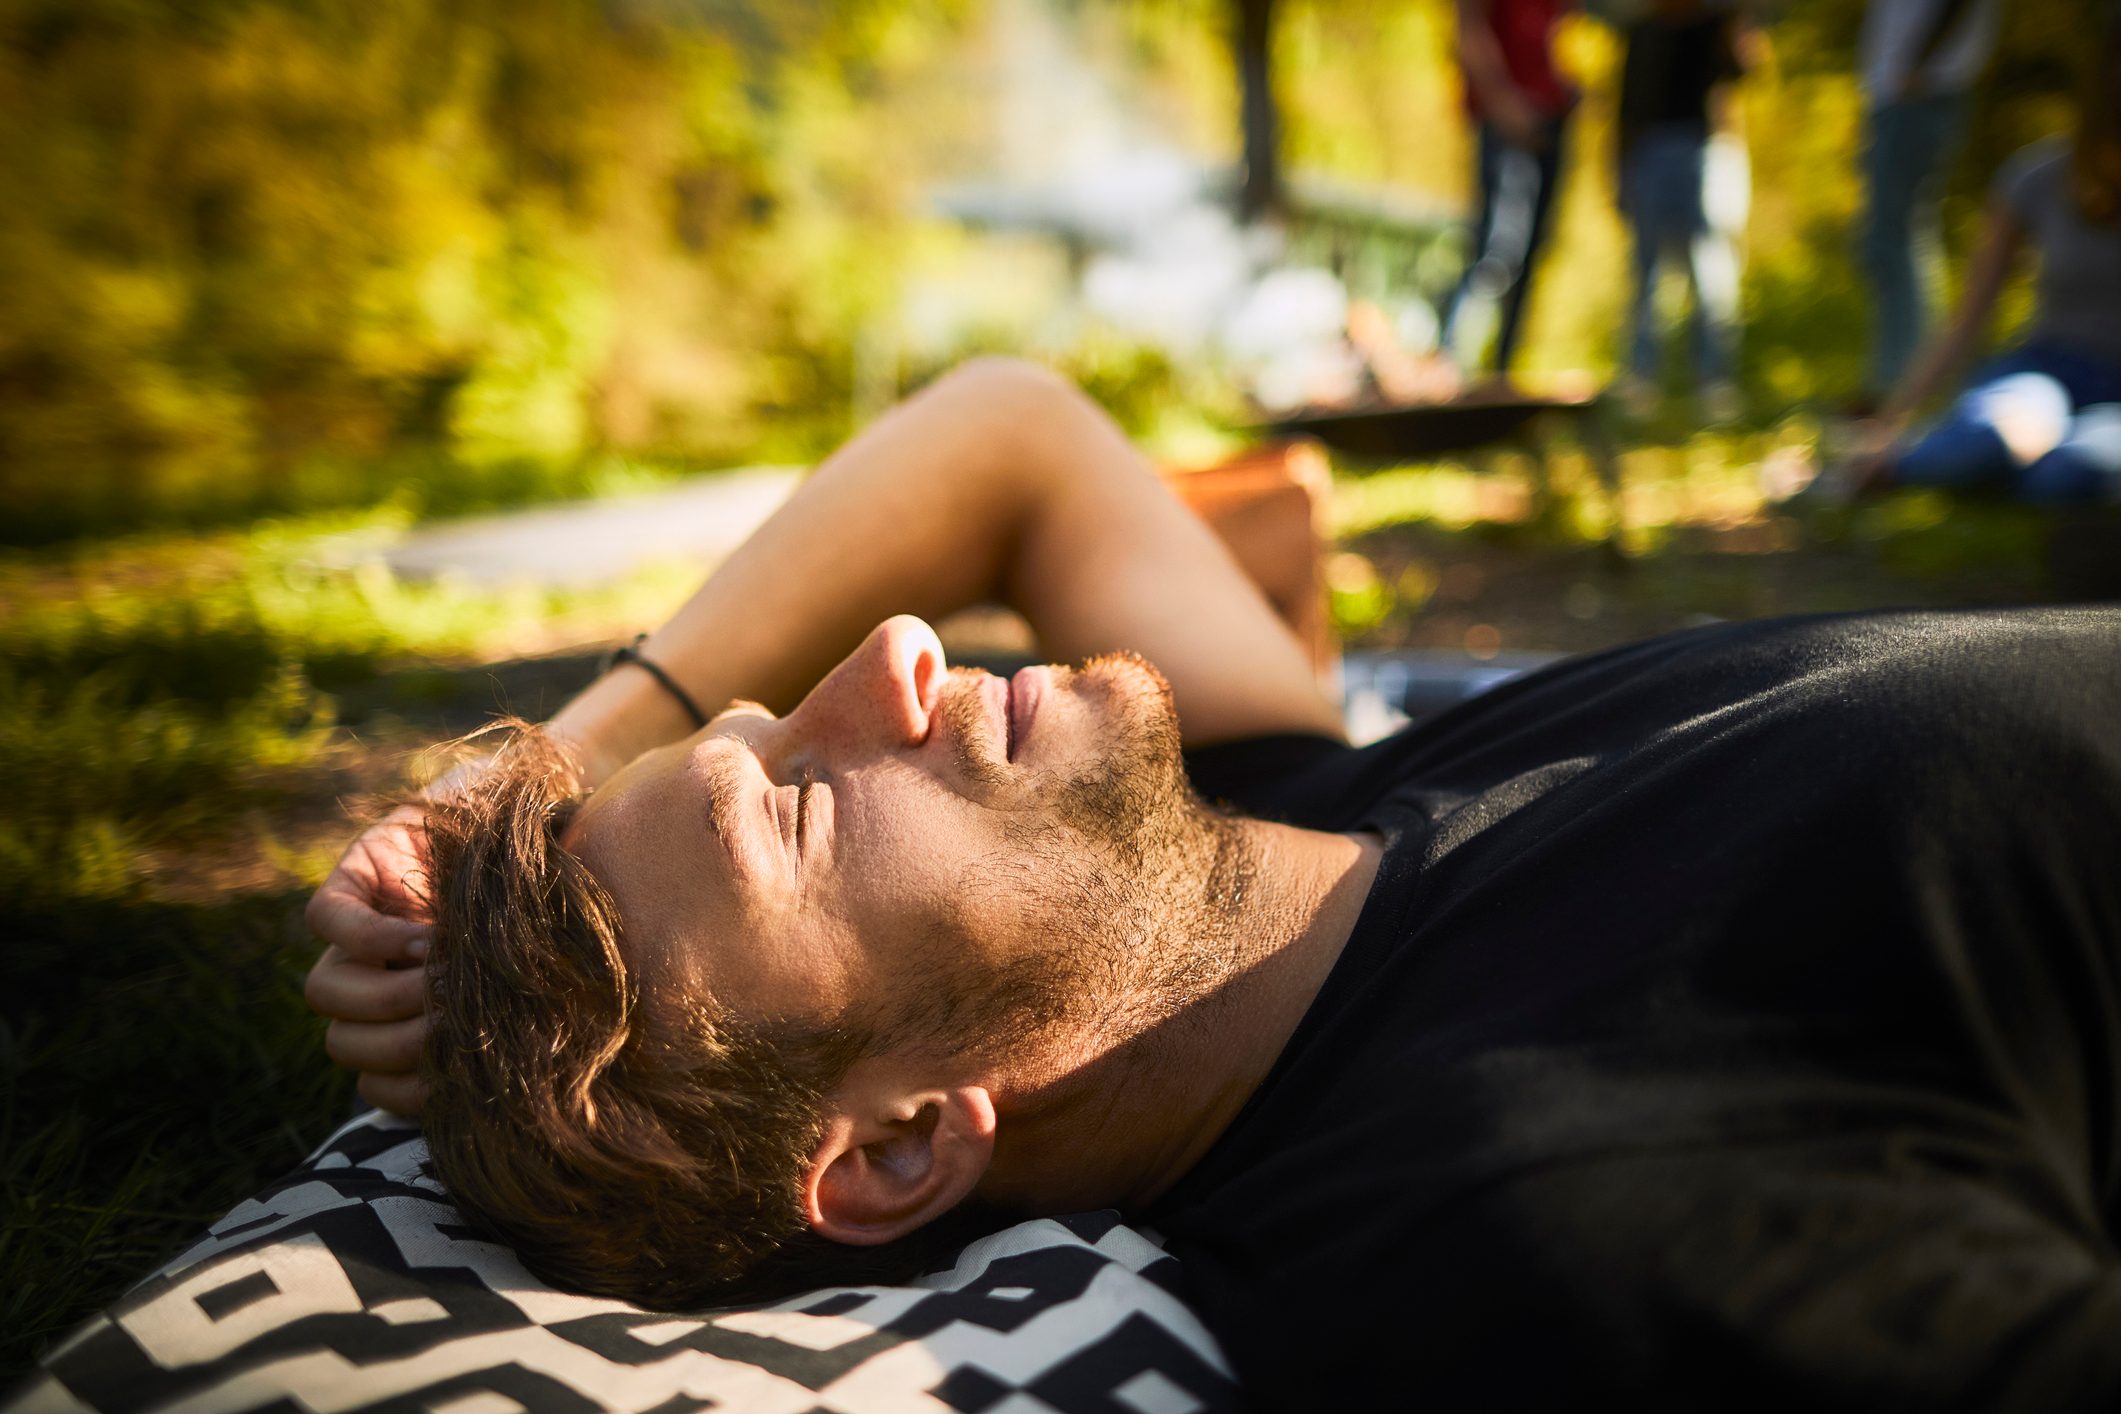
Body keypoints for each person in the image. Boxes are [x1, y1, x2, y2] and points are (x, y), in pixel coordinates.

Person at [307, 359, 2121, 1406]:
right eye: (794, 809)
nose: (898, 653)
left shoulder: (1290, 816)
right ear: (901, 1144)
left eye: (770, 719)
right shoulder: (1559, 1204)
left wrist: (501, 786)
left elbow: (1013, 433)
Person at [1841, 17, 2121, 504]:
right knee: (1983, 440)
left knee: (2065, 476)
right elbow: (1970, 317)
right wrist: (1894, 417)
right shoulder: (2038, 178)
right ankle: (1886, 466)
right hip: (2046, 373)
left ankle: (2020, 472)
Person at [1854, 0, 2001, 408]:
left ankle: (1899, 382)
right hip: (1901, 92)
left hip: (1917, 91)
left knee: (1892, 237)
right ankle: (1913, 377)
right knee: (1904, 233)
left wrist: (1915, 67)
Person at [1613, 0, 1751, 420]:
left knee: (1711, 268)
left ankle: (1714, 381)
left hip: (1704, 149)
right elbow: (1625, 106)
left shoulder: (1716, 24)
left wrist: (1737, 26)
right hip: (1649, 154)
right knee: (1647, 270)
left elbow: (1743, 70)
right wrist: (1619, 171)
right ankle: (1642, 378)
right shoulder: (1643, 32)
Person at [1438, 0, 1579, 381]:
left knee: (1533, 256)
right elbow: (1467, 29)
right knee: (1497, 255)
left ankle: (1501, 377)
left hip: (1552, 118)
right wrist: (1504, 106)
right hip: (1506, 126)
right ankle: (1451, 372)